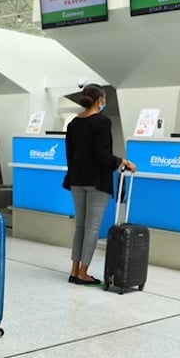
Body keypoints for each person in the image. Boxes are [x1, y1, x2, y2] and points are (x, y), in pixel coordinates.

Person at [63, 84, 136, 286]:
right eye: (103, 99)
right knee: (92, 228)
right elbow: (102, 154)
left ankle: (74, 270)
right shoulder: (102, 122)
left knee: (80, 226)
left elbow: (70, 155)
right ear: (99, 100)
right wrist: (122, 161)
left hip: (76, 180)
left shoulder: (73, 123)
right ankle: (83, 273)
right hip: (96, 181)